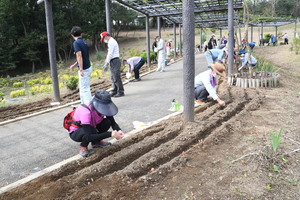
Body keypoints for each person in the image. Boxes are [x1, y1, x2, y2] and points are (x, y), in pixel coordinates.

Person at [69, 89, 125, 157]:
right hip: (77, 132)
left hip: (92, 127)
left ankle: (96, 142)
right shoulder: (86, 112)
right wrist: (111, 134)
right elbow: (88, 136)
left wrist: (119, 130)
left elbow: (112, 122)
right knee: (91, 131)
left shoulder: (105, 107)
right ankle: (83, 146)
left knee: (107, 122)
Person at [69, 26, 92, 104]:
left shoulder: (76, 43)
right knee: (82, 88)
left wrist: (81, 69)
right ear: (81, 34)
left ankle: (89, 107)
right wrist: (75, 65)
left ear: (72, 35)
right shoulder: (83, 41)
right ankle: (83, 105)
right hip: (87, 66)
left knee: (85, 89)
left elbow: (79, 56)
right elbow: (82, 56)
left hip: (84, 69)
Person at [100, 32, 125, 98]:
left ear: (106, 36)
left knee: (116, 76)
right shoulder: (110, 42)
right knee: (113, 76)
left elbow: (110, 54)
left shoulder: (111, 42)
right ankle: (115, 90)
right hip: (113, 61)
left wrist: (106, 63)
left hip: (115, 60)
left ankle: (120, 91)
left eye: (104, 38)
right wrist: (107, 62)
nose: (104, 40)